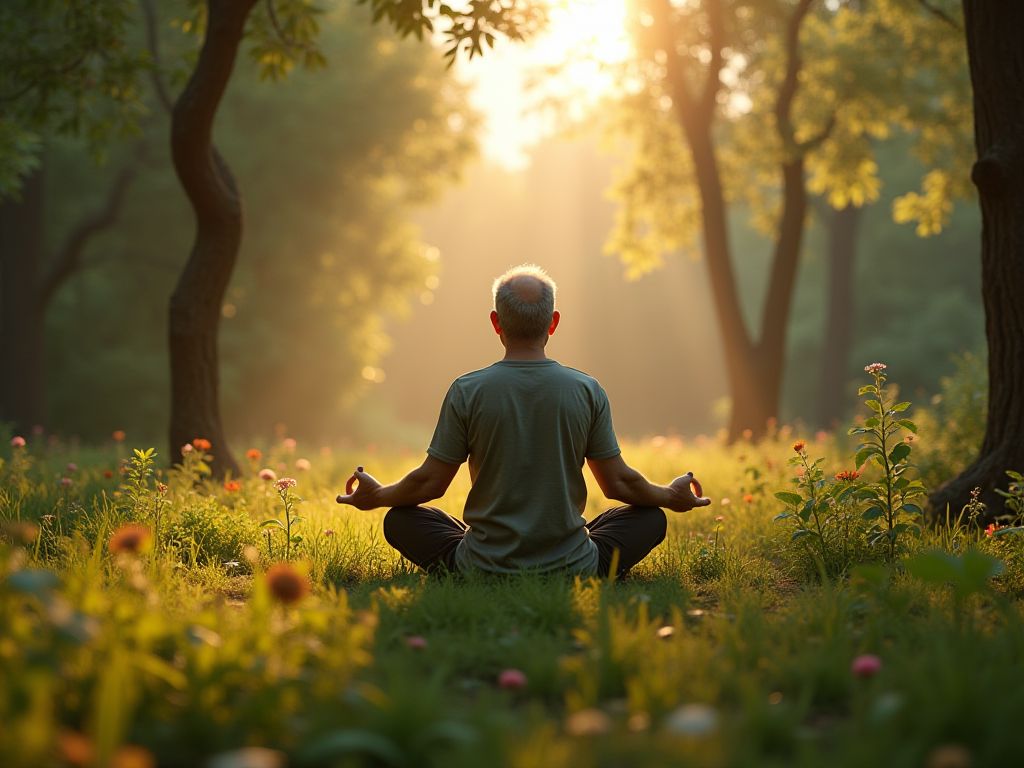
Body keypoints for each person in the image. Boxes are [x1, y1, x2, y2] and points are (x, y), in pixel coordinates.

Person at [336, 264, 710, 577]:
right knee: (649, 519)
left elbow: (429, 483)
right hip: (575, 566)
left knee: (400, 520)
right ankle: (574, 561)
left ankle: (482, 559)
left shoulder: (467, 390)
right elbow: (619, 484)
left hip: (482, 564)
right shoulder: (586, 389)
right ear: (554, 322)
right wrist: (669, 497)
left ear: (496, 322)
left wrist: (378, 496)